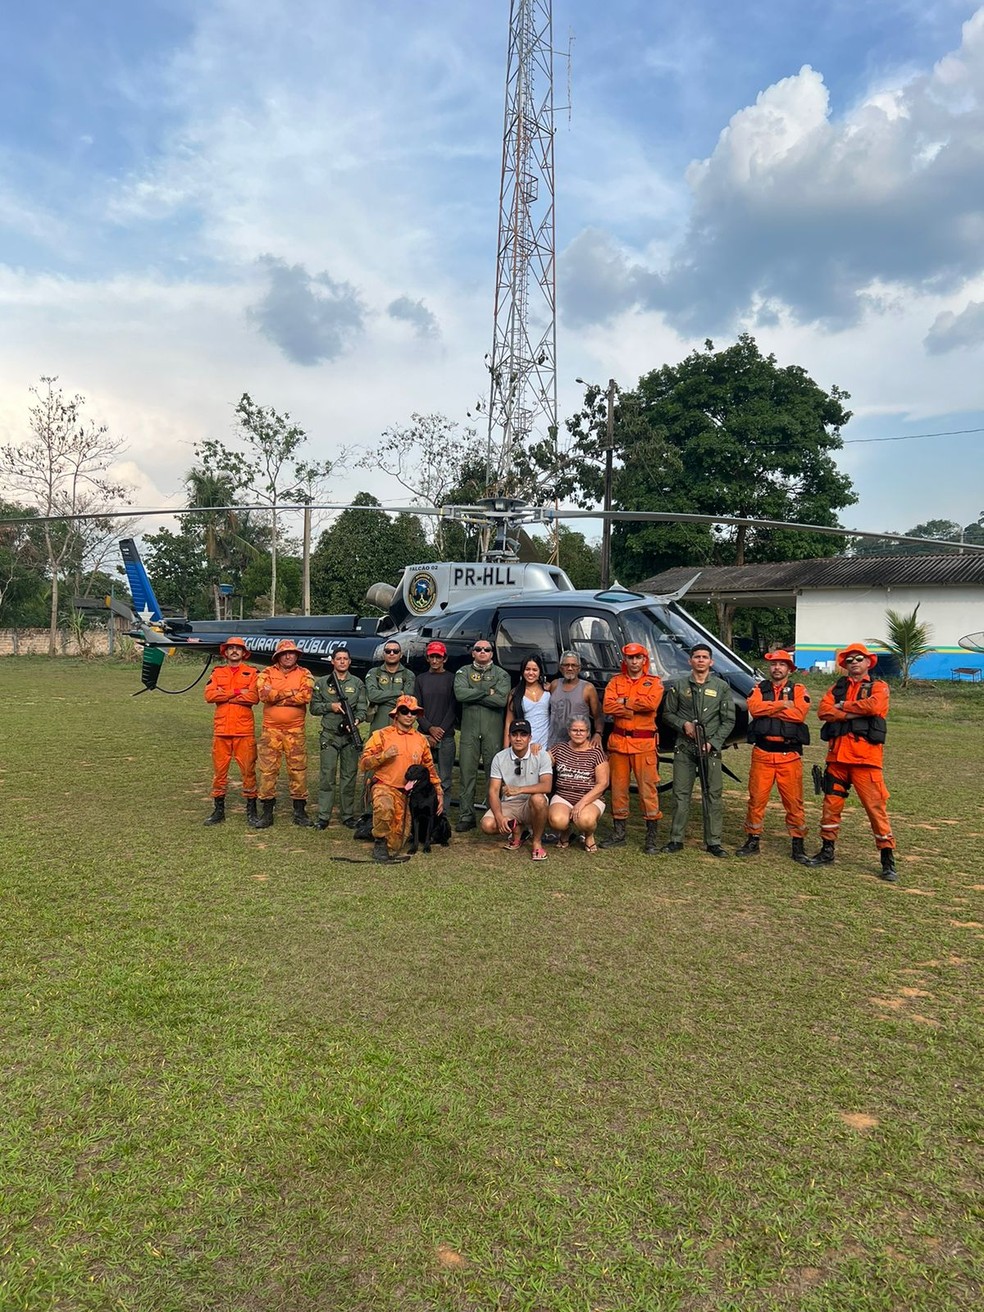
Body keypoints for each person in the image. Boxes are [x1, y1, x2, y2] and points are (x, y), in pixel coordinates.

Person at [810, 643, 898, 882]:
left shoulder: (879, 687)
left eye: (859, 658)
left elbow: (875, 706)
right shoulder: (836, 688)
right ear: (844, 665)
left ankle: (887, 860)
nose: (854, 662)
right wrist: (852, 712)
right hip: (837, 758)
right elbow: (823, 712)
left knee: (875, 809)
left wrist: (844, 708)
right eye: (849, 660)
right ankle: (827, 851)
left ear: (868, 662)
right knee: (830, 807)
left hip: (865, 761)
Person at [736, 650, 812, 865]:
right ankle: (753, 839)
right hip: (762, 754)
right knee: (756, 799)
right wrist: (781, 705)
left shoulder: (798, 689)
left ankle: (798, 844)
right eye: (773, 664)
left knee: (794, 802)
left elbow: (799, 714)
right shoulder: (759, 688)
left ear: (789, 668)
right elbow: (754, 708)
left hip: (789, 755)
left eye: (782, 664)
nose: (777, 668)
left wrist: (768, 710)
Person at [661, 643, 736, 857]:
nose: (701, 660)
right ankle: (676, 839)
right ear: (690, 661)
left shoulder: (721, 687)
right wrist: (683, 725)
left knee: (712, 794)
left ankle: (713, 841)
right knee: (680, 794)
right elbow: (667, 714)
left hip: (710, 749)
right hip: (684, 747)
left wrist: (713, 742)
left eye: (705, 657)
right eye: (697, 657)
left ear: (711, 662)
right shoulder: (680, 685)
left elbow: (728, 720)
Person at [359, 695, 442, 863]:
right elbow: (363, 763)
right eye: (405, 711)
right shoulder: (381, 735)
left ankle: (371, 827)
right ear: (396, 714)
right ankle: (379, 841)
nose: (409, 715)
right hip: (385, 786)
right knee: (384, 806)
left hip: (407, 793)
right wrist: (383, 756)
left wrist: (438, 792)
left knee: (396, 844)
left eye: (414, 712)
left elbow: (429, 769)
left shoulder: (421, 740)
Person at [600, 642, 664, 854]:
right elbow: (607, 706)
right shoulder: (615, 681)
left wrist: (624, 702)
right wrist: (633, 707)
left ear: (644, 660)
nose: (634, 661)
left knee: (648, 790)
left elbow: (651, 705)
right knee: (618, 790)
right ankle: (619, 834)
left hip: (644, 745)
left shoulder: (654, 683)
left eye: (638, 658)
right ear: (625, 660)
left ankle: (651, 837)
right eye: (630, 658)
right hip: (619, 744)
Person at [253, 638, 315, 829]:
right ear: (278, 656)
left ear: (297, 655)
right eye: (284, 653)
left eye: (292, 653)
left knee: (298, 770)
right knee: (267, 770)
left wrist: (277, 695)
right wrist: (290, 693)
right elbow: (263, 695)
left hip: (295, 731)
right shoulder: (266, 673)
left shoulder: (305, 673)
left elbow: (306, 695)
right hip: (270, 731)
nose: (289, 656)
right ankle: (267, 812)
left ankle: (299, 811)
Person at [453, 638, 511, 832]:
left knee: (492, 775)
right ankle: (466, 815)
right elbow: (460, 695)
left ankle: (492, 814)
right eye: (478, 649)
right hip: (469, 731)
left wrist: (474, 694)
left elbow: (501, 701)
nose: (482, 652)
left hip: (491, 732)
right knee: (466, 774)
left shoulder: (502, 674)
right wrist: (487, 691)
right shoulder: (463, 672)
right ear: (473, 653)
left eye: (487, 649)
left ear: (492, 653)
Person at [202, 636, 259, 826]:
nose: (234, 651)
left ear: (244, 653)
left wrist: (224, 695)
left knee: (248, 771)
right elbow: (209, 695)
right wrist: (235, 693)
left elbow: (253, 697)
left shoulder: (251, 673)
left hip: (244, 730)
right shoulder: (217, 672)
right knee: (219, 772)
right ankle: (219, 810)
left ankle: (251, 810)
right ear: (225, 652)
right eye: (231, 648)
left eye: (238, 648)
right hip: (222, 730)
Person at [310, 646, 368, 829]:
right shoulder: (322, 683)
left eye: (345, 658)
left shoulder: (357, 683)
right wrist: (331, 706)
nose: (342, 661)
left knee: (349, 777)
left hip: (350, 737)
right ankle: (324, 816)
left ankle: (347, 815)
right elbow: (313, 708)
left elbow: (362, 709)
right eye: (339, 658)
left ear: (349, 662)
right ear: (332, 661)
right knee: (327, 777)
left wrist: (356, 720)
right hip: (330, 736)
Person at [481, 720, 553, 860]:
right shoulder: (500, 757)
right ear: (509, 737)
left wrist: (520, 790)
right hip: (509, 805)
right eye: (514, 734)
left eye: (523, 734)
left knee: (538, 799)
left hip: (530, 804)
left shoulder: (541, 755)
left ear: (530, 738)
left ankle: (537, 842)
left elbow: (546, 786)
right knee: (487, 824)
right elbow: (493, 791)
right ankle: (517, 829)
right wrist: (500, 817)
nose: (518, 738)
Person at [548, 716, 609, 853]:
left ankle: (588, 835)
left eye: (582, 730)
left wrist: (581, 803)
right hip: (563, 796)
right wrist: (535, 749)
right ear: (569, 732)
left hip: (590, 798)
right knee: (557, 820)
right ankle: (566, 831)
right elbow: (541, 763)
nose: (578, 733)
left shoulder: (596, 752)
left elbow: (603, 783)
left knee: (585, 820)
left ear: (588, 732)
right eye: (574, 730)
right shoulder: (559, 749)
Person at [414, 640, 457, 805]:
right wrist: (429, 728)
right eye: (432, 657)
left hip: (446, 736)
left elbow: (453, 708)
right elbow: (416, 708)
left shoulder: (452, 679)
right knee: (422, 776)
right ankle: (423, 809)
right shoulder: (421, 679)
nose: (435, 661)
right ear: (427, 658)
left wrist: (440, 731)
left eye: (438, 657)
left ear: (444, 658)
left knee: (444, 778)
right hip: (424, 735)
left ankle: (442, 812)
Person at [547, 651, 601, 748]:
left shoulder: (588, 688)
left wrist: (598, 734)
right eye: (566, 665)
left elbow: (598, 715)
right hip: (553, 744)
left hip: (578, 746)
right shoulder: (554, 685)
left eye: (574, 665)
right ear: (561, 668)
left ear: (579, 668)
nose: (570, 668)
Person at [365, 640, 417, 732]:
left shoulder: (409, 675)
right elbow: (372, 696)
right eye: (388, 651)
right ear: (383, 654)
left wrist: (381, 699)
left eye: (395, 651)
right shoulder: (374, 672)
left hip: (400, 724)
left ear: (401, 654)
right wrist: (400, 693)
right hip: (379, 724)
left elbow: (407, 700)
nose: (391, 653)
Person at [503, 654, 551, 749]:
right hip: (524, 744)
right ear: (522, 671)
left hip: (547, 744)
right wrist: (505, 748)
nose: (531, 673)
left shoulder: (549, 689)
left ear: (540, 671)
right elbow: (509, 722)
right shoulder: (515, 693)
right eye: (527, 669)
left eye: (535, 670)